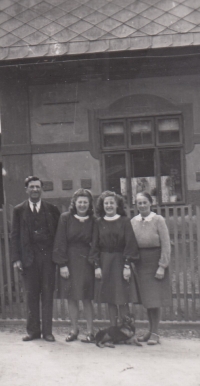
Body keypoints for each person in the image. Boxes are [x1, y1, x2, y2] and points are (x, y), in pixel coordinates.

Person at [11, 176, 60, 342]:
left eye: (37, 187)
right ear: (26, 189)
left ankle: (47, 332)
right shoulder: (19, 210)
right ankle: (33, 332)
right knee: (31, 295)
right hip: (28, 259)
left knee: (47, 294)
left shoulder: (52, 209)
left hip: (47, 258)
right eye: (31, 187)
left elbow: (58, 236)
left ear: (42, 189)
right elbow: (15, 235)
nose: (35, 190)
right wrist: (16, 259)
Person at [89, 191, 140, 326]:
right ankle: (113, 330)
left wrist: (127, 265)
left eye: (112, 203)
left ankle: (125, 330)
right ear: (102, 205)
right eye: (106, 203)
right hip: (105, 262)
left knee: (122, 297)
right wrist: (97, 266)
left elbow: (130, 244)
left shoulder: (125, 221)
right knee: (110, 298)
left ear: (117, 205)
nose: (109, 206)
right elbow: (94, 245)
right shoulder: (98, 222)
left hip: (120, 262)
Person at [53, 188, 95, 343]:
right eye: (80, 202)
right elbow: (60, 241)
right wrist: (62, 264)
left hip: (87, 261)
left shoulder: (93, 220)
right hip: (69, 260)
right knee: (72, 297)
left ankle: (90, 331)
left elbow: (96, 243)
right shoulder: (65, 218)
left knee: (87, 297)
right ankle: (74, 330)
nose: (82, 205)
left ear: (89, 204)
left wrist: (94, 263)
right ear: (74, 203)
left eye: (85, 202)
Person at [131, 192, 171, 345]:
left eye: (144, 202)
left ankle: (155, 333)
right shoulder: (133, 221)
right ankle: (150, 331)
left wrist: (162, 266)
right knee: (148, 300)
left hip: (155, 262)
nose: (142, 205)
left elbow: (166, 244)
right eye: (139, 203)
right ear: (136, 205)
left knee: (156, 299)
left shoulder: (158, 220)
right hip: (141, 264)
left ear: (150, 203)